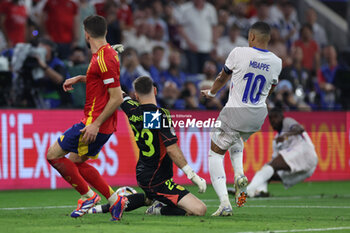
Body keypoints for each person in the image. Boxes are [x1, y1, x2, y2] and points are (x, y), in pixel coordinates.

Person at [89, 76, 207, 216]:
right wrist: (192, 175)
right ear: (155, 91)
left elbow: (118, 92)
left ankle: (98, 209)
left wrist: (94, 78)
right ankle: (157, 210)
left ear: (136, 95)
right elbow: (171, 148)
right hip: (157, 179)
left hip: (144, 173)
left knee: (148, 198)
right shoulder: (159, 115)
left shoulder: (131, 108)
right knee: (199, 209)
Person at [46, 15, 126, 221]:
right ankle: (115, 199)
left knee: (53, 155)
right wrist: (83, 78)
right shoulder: (105, 54)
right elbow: (102, 80)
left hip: (94, 123)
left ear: (86, 34)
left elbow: (116, 97)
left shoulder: (104, 57)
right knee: (76, 163)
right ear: (105, 32)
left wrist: (95, 125)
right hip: (102, 123)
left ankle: (88, 197)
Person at [201, 22, 282, 216]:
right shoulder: (277, 62)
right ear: (268, 38)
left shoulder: (238, 52)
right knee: (235, 139)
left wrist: (211, 93)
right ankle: (240, 176)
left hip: (236, 111)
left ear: (252, 37)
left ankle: (224, 204)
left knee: (215, 153)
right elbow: (270, 88)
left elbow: (222, 78)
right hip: (258, 115)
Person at [246, 108, 318, 197]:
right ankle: (261, 191)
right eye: (270, 118)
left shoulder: (287, 122)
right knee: (266, 170)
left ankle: (248, 190)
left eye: (276, 117)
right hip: (306, 170)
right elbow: (273, 165)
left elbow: (300, 128)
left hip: (305, 153)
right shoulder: (276, 141)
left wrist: (286, 135)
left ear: (282, 117)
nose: (273, 120)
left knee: (270, 167)